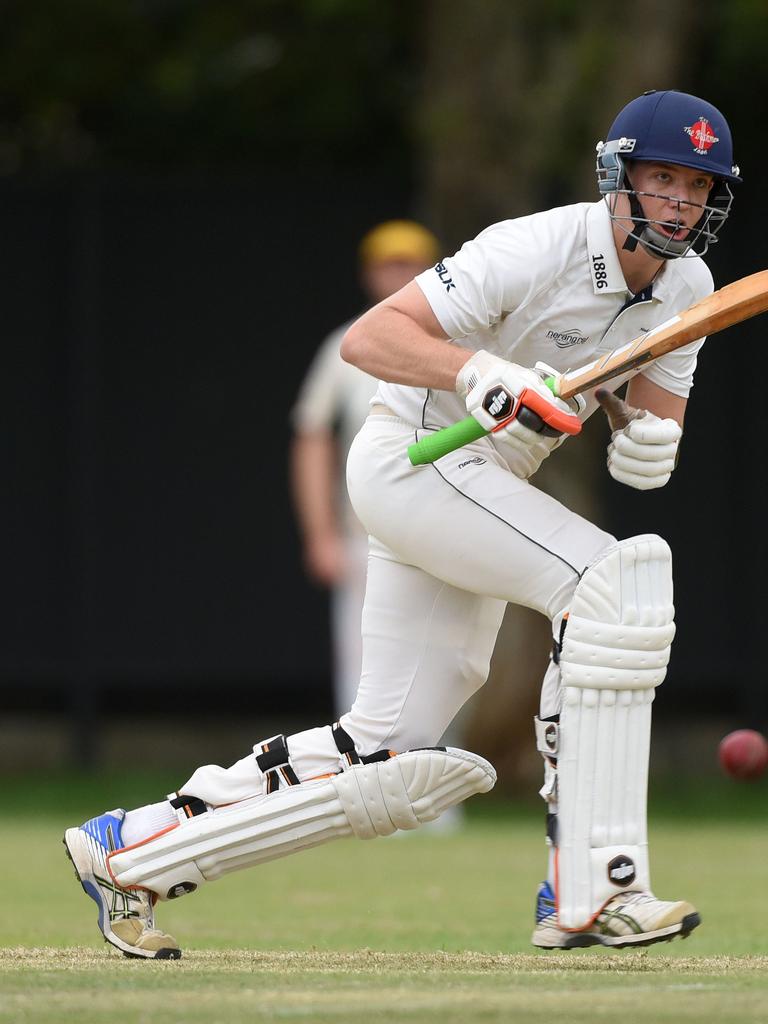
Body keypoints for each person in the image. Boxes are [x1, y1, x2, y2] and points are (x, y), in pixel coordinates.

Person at [64, 89, 740, 959]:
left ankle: (133, 848)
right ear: (619, 178)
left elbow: (646, 405)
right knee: (610, 584)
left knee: (384, 751)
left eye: (698, 184)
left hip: (485, 478)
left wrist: (644, 439)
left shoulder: (688, 286)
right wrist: (475, 374)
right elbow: (373, 340)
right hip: (415, 457)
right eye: (663, 178)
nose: (681, 201)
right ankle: (595, 887)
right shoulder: (532, 247)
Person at [290, 221, 440, 717]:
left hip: (442, 531)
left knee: (439, 666)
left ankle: (438, 795)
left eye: (410, 263)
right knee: (361, 676)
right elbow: (312, 435)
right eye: (388, 265)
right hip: (366, 537)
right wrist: (321, 534)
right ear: (369, 274)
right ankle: (360, 789)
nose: (399, 274)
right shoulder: (346, 344)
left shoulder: (455, 339)